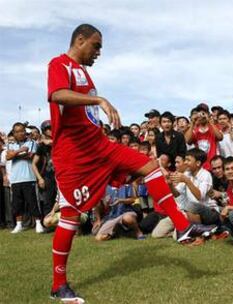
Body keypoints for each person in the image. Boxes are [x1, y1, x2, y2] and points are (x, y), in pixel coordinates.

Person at [47, 24, 215, 302]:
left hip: (100, 146)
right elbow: (57, 95)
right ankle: (58, 284)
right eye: (96, 45)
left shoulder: (86, 74)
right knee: (70, 218)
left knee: (149, 166)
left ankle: (182, 226)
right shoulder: (59, 64)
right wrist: (99, 99)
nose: (99, 52)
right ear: (80, 39)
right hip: (74, 155)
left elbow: (84, 113)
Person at [6, 122, 43, 234]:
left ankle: (38, 224)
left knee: (32, 202)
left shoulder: (31, 142)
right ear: (14, 133)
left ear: (25, 131)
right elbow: (8, 157)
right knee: (17, 204)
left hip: (29, 177)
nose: (20, 133)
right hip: (15, 179)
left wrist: (15, 155)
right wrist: (20, 150)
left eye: (22, 130)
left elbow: (30, 156)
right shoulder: (10, 144)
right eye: (17, 131)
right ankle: (19, 225)